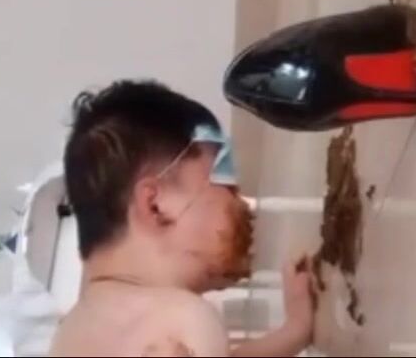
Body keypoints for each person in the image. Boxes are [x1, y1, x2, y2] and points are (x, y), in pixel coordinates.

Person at [50, 80, 316, 357]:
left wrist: (295, 331)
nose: (238, 199)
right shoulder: (183, 323)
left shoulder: (72, 332)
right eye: (224, 182)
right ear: (156, 205)